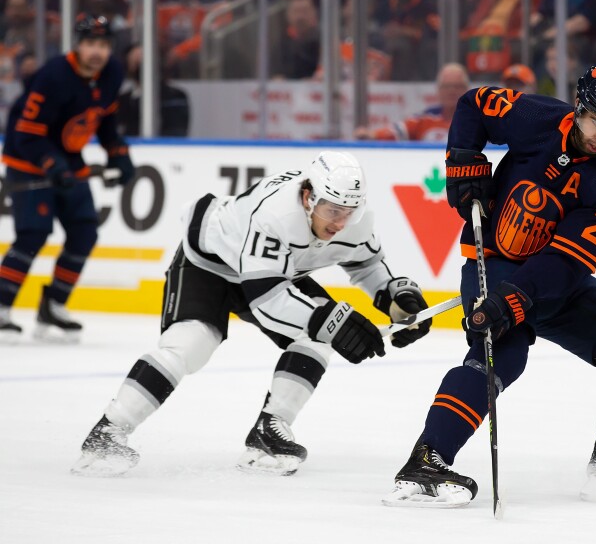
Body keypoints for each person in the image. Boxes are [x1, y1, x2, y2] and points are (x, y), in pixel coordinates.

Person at [382, 65, 596, 508]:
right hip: (492, 260)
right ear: (579, 110)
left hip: (552, 281)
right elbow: (473, 105)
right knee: (504, 350)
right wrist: (465, 159)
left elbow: (566, 261)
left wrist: (517, 300)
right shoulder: (536, 117)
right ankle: (427, 461)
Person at [71, 151, 433, 477]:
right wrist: (333, 321)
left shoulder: (353, 221)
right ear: (308, 197)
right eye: (332, 211)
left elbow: (368, 265)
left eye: (348, 211)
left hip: (272, 271)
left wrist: (395, 297)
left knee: (315, 337)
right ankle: (107, 432)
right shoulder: (276, 214)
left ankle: (268, 431)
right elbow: (266, 300)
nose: (340, 223)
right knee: (190, 343)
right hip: (209, 263)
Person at [0, 13, 135, 344]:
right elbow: (27, 133)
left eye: (103, 45)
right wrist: (52, 165)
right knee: (33, 234)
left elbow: (104, 119)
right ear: (78, 45)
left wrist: (118, 152)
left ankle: (54, 306)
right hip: (28, 159)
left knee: (84, 232)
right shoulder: (54, 76)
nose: (96, 52)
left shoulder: (112, 73)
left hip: (69, 160)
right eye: (90, 44)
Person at [354, 63, 469, 142]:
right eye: (446, 86)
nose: (452, 91)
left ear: (467, 90)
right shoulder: (426, 118)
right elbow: (397, 131)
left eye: (457, 86)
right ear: (438, 91)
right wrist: (373, 135)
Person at [117, 43, 190, 137]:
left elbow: (176, 132)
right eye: (136, 62)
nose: (142, 67)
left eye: (144, 61)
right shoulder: (122, 100)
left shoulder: (175, 96)